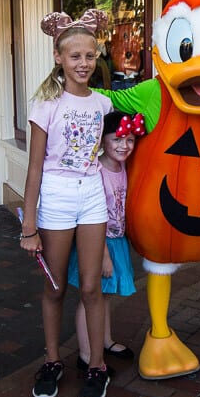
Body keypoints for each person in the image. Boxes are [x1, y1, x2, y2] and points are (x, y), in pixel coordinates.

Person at [20, 8, 113, 397]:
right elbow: (35, 167)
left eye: (90, 56)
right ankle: (53, 360)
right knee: (56, 286)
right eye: (75, 56)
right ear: (59, 57)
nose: (83, 64)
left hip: (92, 195)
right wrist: (29, 226)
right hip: (56, 198)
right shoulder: (46, 104)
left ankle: (97, 366)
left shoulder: (102, 104)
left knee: (92, 288)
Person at [67, 111, 143, 373]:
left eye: (130, 140)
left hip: (116, 240)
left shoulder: (124, 167)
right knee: (91, 297)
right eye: (118, 139)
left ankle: (105, 340)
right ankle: (87, 354)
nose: (124, 146)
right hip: (97, 244)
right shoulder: (95, 171)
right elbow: (88, 218)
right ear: (103, 141)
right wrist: (103, 256)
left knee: (106, 296)